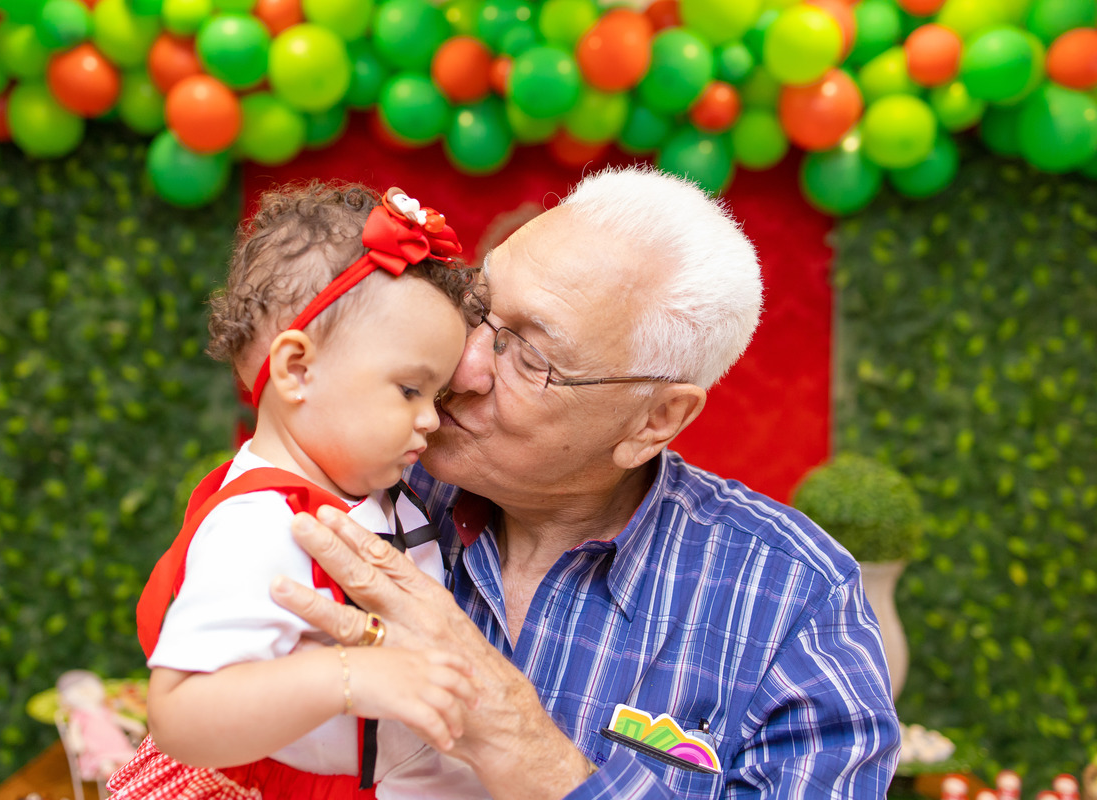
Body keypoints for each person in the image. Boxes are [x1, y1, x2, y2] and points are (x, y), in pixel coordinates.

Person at [269, 165, 902, 798]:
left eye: (531, 357)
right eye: (477, 307)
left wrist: (520, 741)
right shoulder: (360, 477)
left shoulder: (792, 601)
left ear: (656, 420)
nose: (462, 367)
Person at [108, 182, 488, 800]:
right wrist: (347, 675)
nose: (431, 419)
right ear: (297, 370)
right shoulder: (260, 525)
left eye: (437, 394)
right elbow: (179, 714)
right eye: (409, 390)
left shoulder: (363, 484)